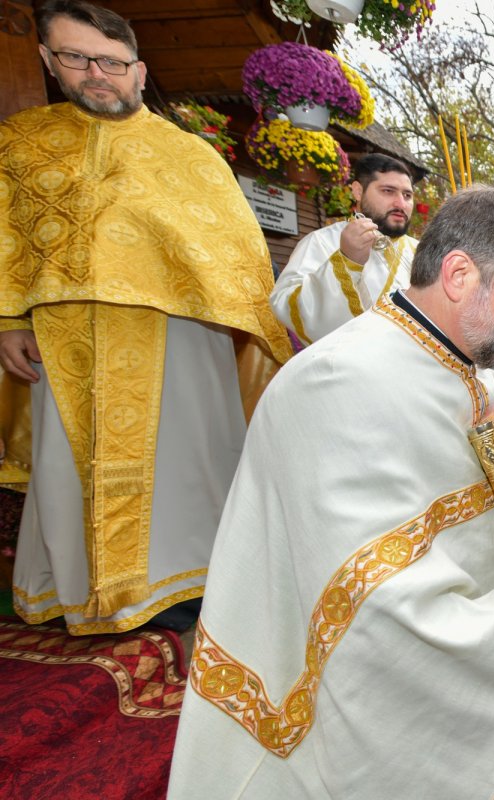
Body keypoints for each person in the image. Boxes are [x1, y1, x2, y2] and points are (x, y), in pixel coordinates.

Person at [168, 187, 494, 798]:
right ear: (460, 274)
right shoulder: (337, 385)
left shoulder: (474, 371)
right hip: (369, 730)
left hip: (468, 701)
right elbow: (383, 611)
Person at [0, 0, 291, 634]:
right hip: (62, 335)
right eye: (75, 58)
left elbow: (238, 260)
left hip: (180, 336)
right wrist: (6, 319)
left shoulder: (192, 157)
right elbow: (7, 237)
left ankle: (187, 590)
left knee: (188, 466)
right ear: (50, 62)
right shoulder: (19, 147)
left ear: (138, 70)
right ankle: (81, 596)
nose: (95, 74)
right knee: (69, 467)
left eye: (111, 61)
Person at [270, 153, 418, 345]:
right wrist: (346, 261)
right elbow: (287, 306)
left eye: (407, 195)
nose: (401, 204)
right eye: (388, 191)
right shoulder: (321, 242)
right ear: (357, 191)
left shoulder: (422, 250)